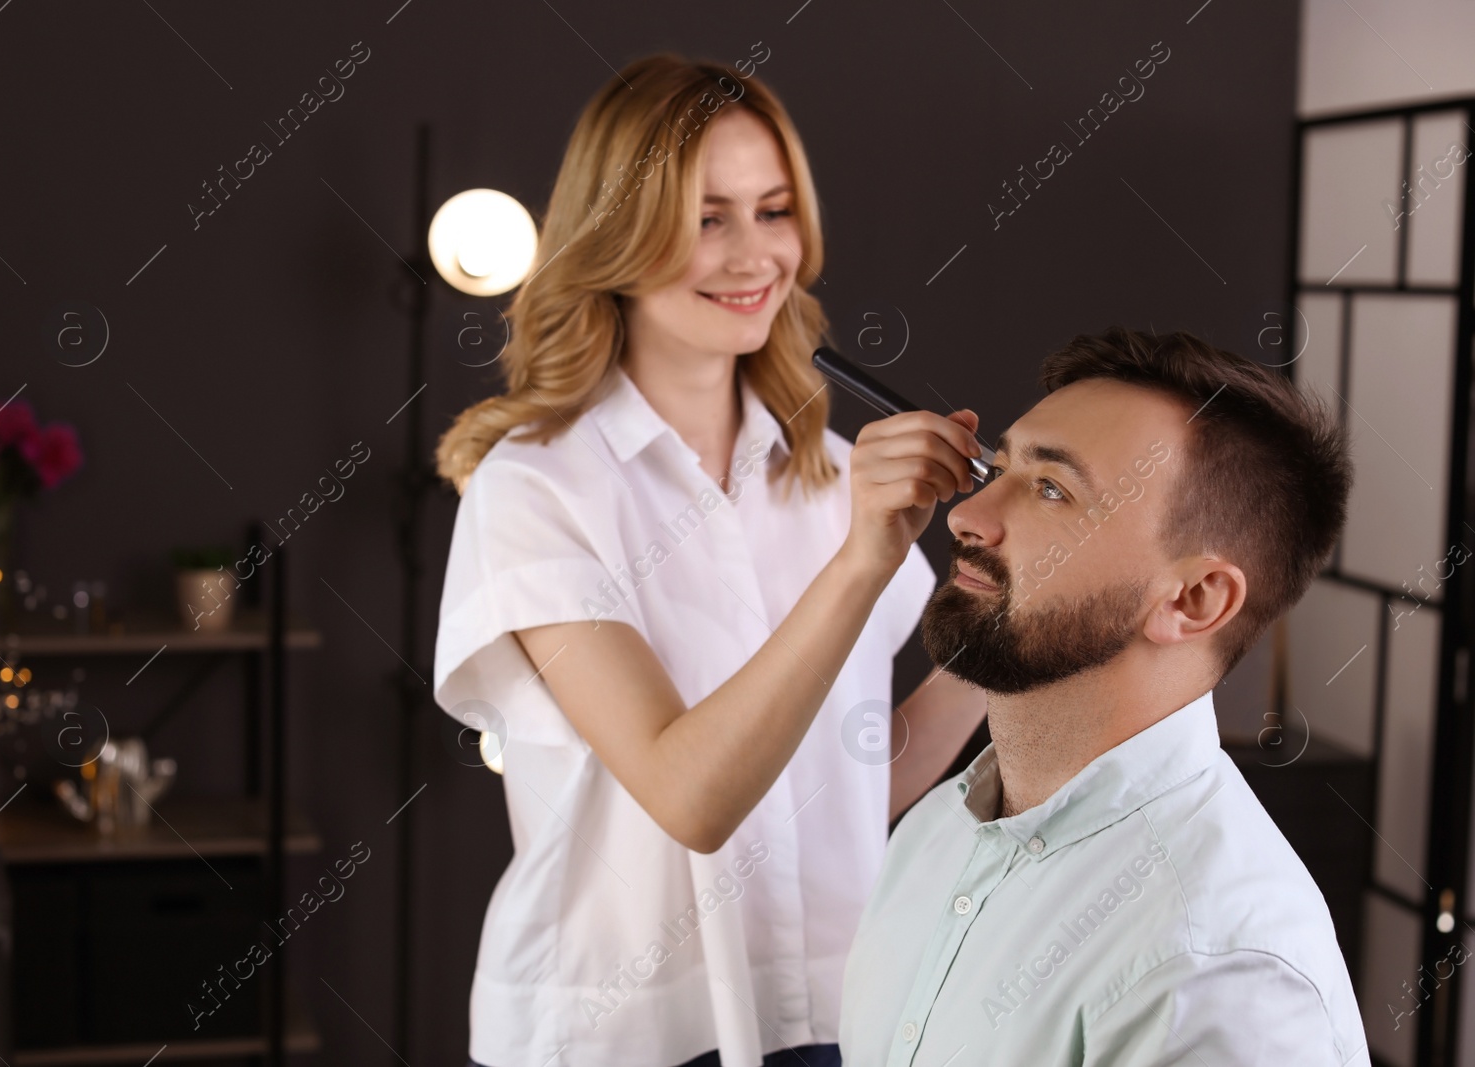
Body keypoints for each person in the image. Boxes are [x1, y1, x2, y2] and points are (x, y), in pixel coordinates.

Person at [431, 53, 988, 1067]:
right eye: (706, 217)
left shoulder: (833, 473)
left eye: (772, 211)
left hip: (831, 1006)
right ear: (615, 235)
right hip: (621, 1029)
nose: (752, 256)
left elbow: (862, 772)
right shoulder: (538, 489)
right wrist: (860, 561)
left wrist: (1004, 628)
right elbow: (688, 795)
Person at [838, 326, 1367, 1065]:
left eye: (1052, 489)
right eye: (1001, 469)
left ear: (1194, 599)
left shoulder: (1214, 968)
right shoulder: (938, 830)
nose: (965, 516)